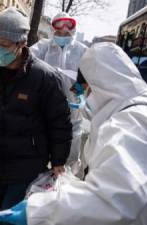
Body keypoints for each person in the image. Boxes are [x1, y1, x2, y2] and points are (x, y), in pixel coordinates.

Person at [0, 43, 147, 225]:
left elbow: (112, 199)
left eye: (87, 90)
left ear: (101, 85)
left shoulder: (131, 124)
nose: (86, 96)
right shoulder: (141, 108)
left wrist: (38, 210)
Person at [0, 7, 72, 213]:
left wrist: (58, 161)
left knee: (10, 214)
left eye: (4, 45)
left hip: (27, 165)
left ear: (21, 43)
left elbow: (60, 122)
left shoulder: (44, 77)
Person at [30, 12, 89, 170]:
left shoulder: (82, 50)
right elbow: (27, 58)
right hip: (46, 108)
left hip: (72, 113)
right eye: (58, 31)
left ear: (73, 30)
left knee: (69, 158)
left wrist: (75, 94)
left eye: (67, 31)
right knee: (41, 152)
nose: (63, 33)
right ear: (52, 30)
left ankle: (65, 185)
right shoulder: (44, 47)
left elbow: (86, 78)